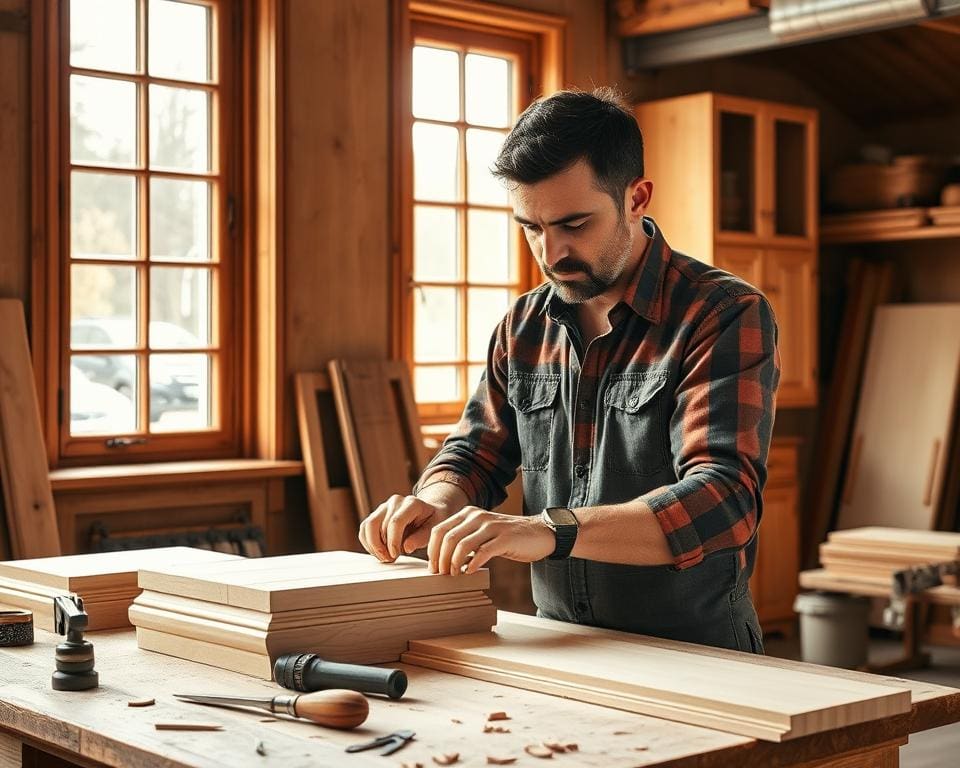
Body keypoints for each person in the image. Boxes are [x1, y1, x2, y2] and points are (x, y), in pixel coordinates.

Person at [359, 88, 780, 653]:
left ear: (637, 197)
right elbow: (474, 454)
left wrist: (549, 531)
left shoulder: (724, 313)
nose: (550, 252)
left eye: (574, 224)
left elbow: (723, 500)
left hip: (695, 652)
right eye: (530, 227)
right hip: (559, 646)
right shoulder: (523, 325)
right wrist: (435, 500)